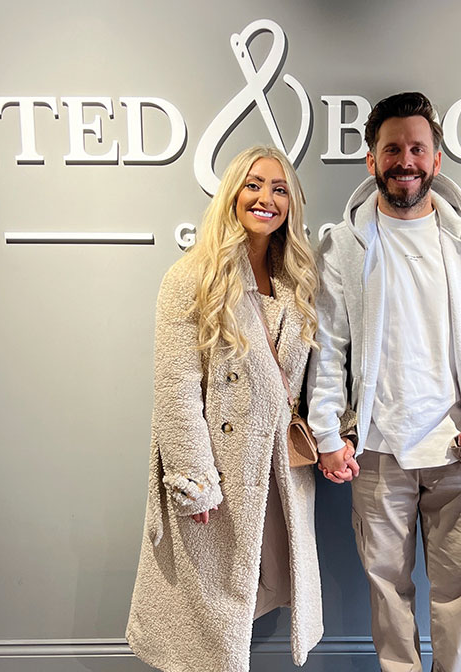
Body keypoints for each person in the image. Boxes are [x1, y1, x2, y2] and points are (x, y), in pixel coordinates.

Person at [306, 91, 461, 672]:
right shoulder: (342, 245)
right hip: (376, 451)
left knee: (456, 594)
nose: (406, 161)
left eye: (417, 148)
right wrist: (326, 433)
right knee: (388, 594)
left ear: (437, 159)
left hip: (457, 450)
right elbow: (328, 348)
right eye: (392, 148)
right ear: (371, 160)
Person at [126, 146, 323, 672]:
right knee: (206, 629)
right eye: (254, 185)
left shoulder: (296, 281)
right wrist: (194, 477)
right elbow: (175, 386)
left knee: (256, 597)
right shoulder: (192, 276)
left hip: (277, 471)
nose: (266, 198)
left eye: (280, 189)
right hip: (218, 472)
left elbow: (307, 381)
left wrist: (334, 435)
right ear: (232, 192)